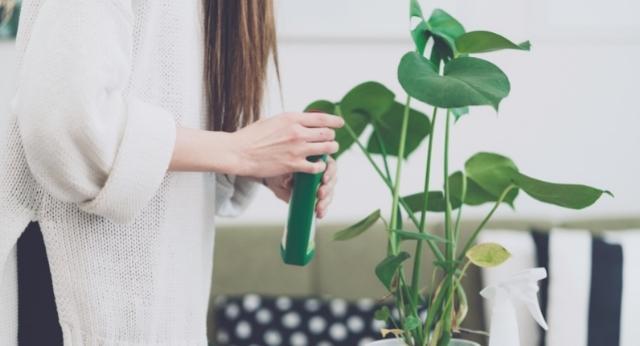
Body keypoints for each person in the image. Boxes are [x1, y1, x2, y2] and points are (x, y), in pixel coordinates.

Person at [0, 0, 343, 345]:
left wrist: (260, 165)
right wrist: (240, 150)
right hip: (66, 290)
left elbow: (174, 110)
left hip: (158, 300)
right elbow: (66, 121)